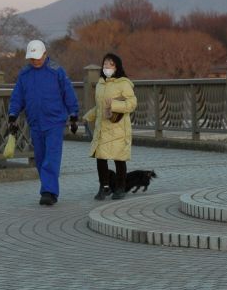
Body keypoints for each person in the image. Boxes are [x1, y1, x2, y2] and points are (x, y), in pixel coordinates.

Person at [8, 39, 79, 206]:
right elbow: (17, 96)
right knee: (40, 159)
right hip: (35, 122)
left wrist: (74, 115)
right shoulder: (24, 74)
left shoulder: (57, 72)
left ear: (45, 54)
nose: (36, 61)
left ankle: (49, 192)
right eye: (32, 58)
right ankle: (47, 186)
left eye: (38, 57)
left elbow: (68, 93)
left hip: (54, 122)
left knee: (51, 158)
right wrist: (12, 115)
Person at [83, 53, 137, 201]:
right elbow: (100, 106)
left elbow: (132, 104)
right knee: (100, 158)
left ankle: (120, 188)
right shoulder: (100, 84)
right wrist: (88, 116)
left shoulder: (124, 83)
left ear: (117, 66)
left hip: (118, 127)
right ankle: (104, 187)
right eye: (105, 64)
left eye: (111, 64)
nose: (107, 67)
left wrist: (113, 105)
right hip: (102, 128)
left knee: (119, 159)